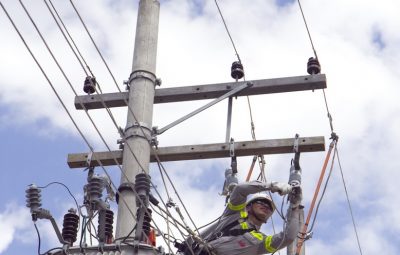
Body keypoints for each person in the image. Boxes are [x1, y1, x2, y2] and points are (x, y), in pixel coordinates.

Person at [179, 180, 303, 255]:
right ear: (248, 207)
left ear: (268, 218)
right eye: (260, 202)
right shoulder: (233, 214)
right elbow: (239, 190)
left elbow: (288, 237)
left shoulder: (261, 242)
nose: (265, 206)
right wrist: (271, 185)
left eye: (269, 207)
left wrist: (294, 206)